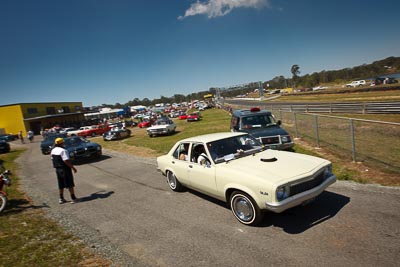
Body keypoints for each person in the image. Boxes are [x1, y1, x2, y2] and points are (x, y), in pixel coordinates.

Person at [50, 137, 79, 204]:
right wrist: (73, 167)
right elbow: (66, 160)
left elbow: (52, 159)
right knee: (70, 184)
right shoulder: (63, 151)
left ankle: (61, 198)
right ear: (61, 143)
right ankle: (73, 198)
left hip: (58, 169)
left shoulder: (53, 150)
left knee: (61, 184)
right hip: (65, 169)